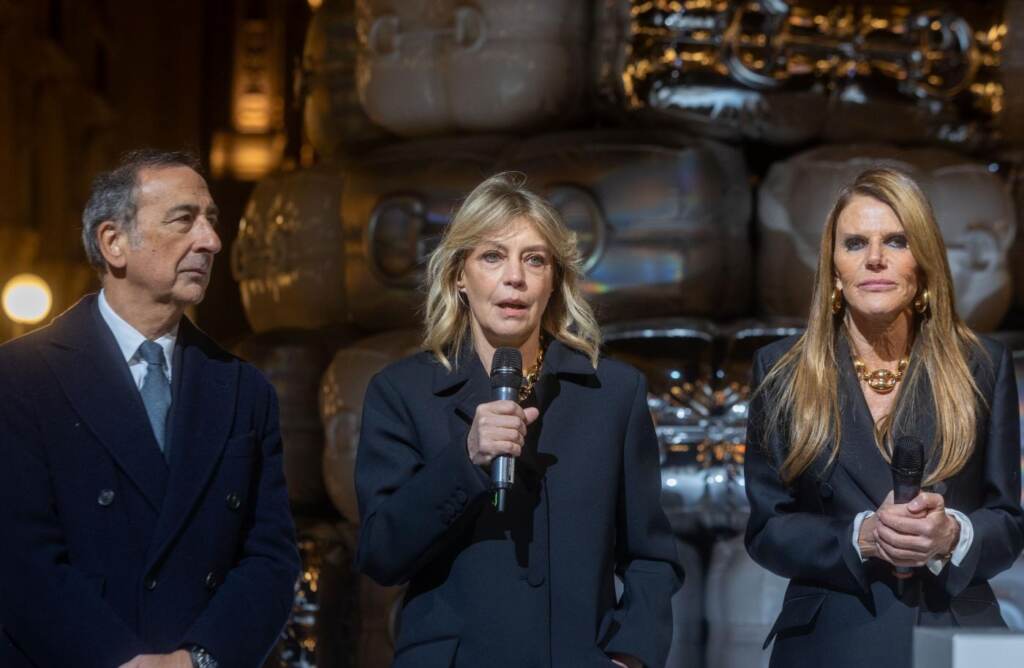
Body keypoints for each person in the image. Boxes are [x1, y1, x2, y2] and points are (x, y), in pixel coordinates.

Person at [354, 172, 682, 668]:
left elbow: (651, 556)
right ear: (459, 276)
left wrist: (629, 656)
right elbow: (382, 554)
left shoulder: (613, 393)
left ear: (554, 281)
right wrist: (465, 459)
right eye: (493, 256)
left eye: (534, 259)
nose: (515, 277)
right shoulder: (402, 393)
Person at [0, 150, 300, 668]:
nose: (210, 241)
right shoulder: (21, 376)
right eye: (184, 219)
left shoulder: (244, 389)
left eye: (211, 222)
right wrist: (121, 660)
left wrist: (197, 659)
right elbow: (19, 558)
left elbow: (270, 558)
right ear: (114, 242)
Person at [744, 167, 1024, 667]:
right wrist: (861, 537)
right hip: (835, 636)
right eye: (855, 243)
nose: (875, 258)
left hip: (958, 633)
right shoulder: (781, 370)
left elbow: (1007, 521)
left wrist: (953, 534)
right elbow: (768, 530)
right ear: (833, 268)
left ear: (924, 262)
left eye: (896, 240)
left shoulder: (982, 364)